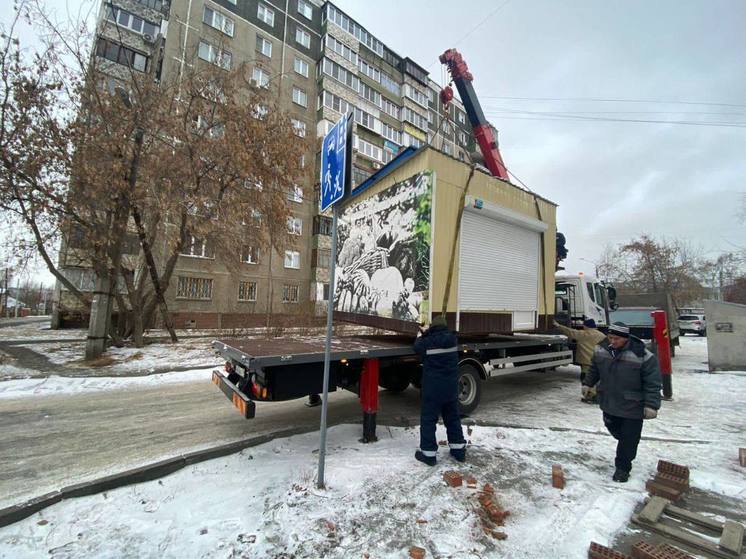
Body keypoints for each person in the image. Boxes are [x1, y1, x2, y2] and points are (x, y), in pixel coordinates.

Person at [583, 322, 662, 482]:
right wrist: (588, 383)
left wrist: (652, 405)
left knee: (628, 438)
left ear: (626, 338)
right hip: (609, 401)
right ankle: (626, 445)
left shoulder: (643, 355)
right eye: (610, 337)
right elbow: (595, 368)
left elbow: (652, 382)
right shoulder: (602, 349)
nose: (612, 341)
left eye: (616, 338)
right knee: (613, 428)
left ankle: (623, 468)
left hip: (633, 405)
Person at [413, 315, 466, 466]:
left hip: (433, 389)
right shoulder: (453, 339)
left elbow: (417, 347)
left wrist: (421, 334)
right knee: (453, 418)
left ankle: (428, 455)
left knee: (429, 420)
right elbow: (440, 338)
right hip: (450, 389)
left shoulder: (428, 341)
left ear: (433, 328)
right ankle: (459, 452)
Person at [553, 318, 606, 403]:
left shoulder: (583, 334)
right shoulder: (602, 335)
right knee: (596, 378)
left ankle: (591, 396)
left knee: (587, 378)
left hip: (587, 361)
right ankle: (596, 395)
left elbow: (569, 332)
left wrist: (558, 326)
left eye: (584, 325)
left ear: (586, 326)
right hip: (598, 360)